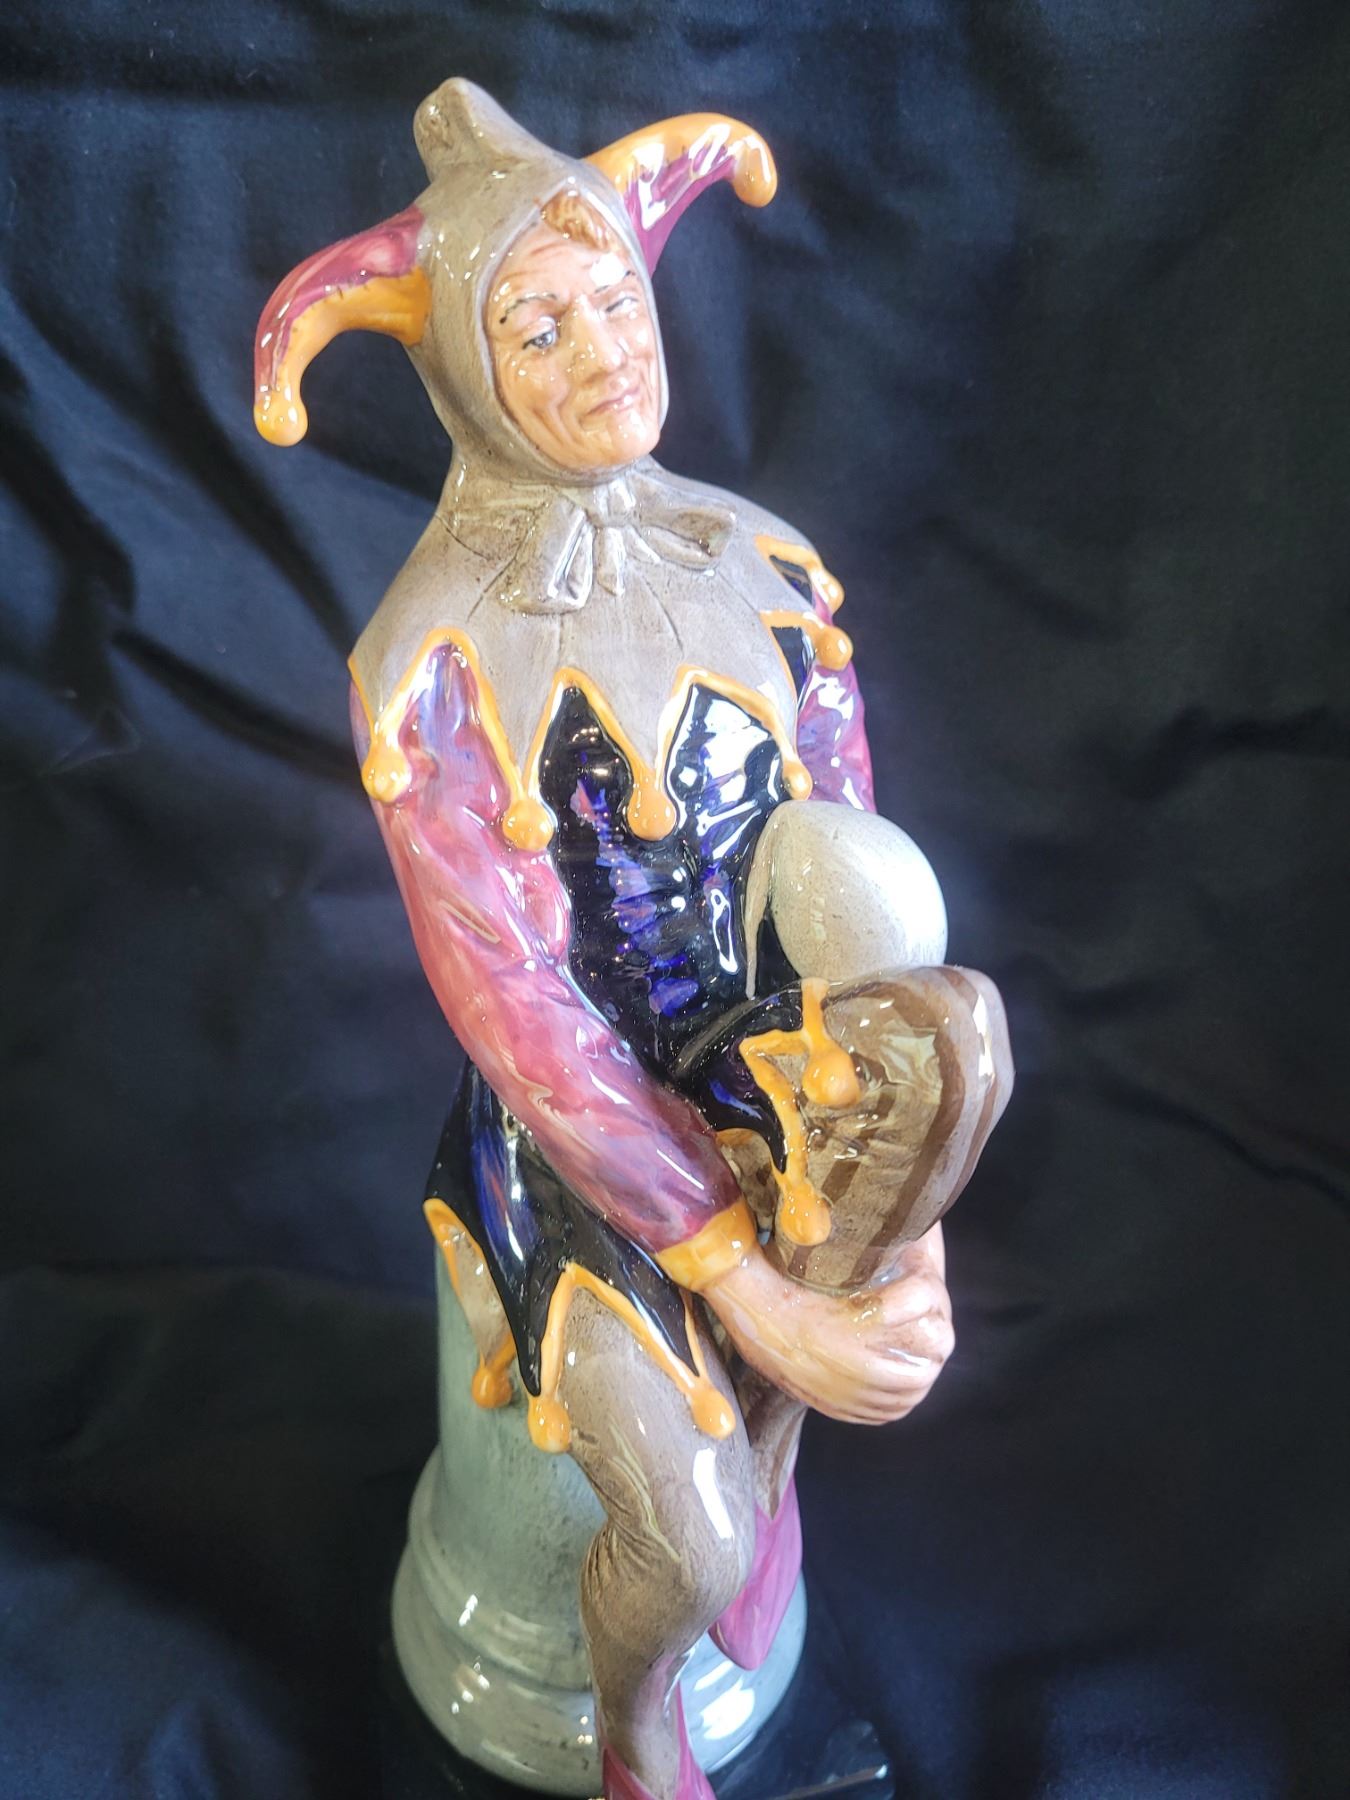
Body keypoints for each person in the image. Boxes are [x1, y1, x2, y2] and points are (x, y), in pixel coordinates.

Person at [254, 79, 1010, 1800]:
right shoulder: (431, 659)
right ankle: (630, 1725)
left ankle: (781, 1438)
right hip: (576, 1149)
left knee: (948, 1027)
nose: (602, 351)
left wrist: (901, 1213)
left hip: (768, 1073)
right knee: (682, 1528)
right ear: (464, 368)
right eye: (536, 327)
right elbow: (514, 1003)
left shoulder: (765, 569)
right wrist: (740, 1277)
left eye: (614, 300)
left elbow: (856, 896)